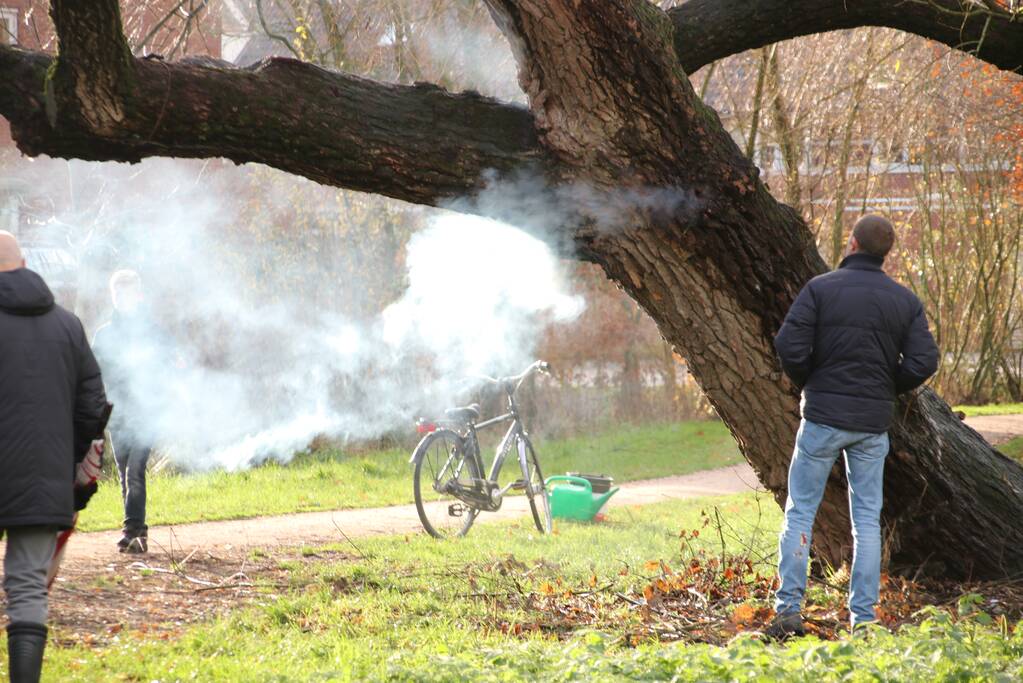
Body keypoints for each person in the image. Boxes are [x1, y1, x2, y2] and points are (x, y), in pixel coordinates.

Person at [767, 214, 939, 638]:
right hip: (871, 425)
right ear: (885, 252)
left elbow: (788, 345)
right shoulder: (904, 301)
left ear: (852, 244)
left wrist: (811, 381)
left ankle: (788, 612)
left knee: (800, 512)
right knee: (865, 520)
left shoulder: (821, 289)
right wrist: (886, 387)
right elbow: (924, 360)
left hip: (822, 419)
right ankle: (863, 620)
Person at [0, 231, 108, 682]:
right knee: (28, 587)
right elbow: (92, 409)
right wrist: (67, 462)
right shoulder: (68, 325)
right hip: (42, 479)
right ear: (25, 264)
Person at [92, 270, 164, 554]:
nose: (122, 298)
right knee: (124, 474)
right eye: (117, 293)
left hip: (146, 412)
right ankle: (138, 532)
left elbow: (168, 366)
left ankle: (131, 530)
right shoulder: (104, 334)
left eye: (128, 292)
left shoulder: (153, 332)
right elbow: (94, 373)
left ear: (139, 294)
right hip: (118, 414)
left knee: (135, 470)